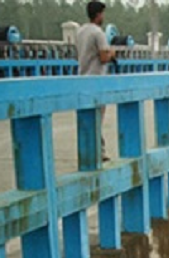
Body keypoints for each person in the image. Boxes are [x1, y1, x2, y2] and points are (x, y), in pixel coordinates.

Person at [77, 1, 116, 160]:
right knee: (97, 118)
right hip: (97, 80)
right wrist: (112, 54)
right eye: (102, 13)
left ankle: (88, 151)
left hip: (82, 79)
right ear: (99, 14)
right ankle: (99, 152)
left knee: (87, 118)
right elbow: (103, 57)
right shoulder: (98, 33)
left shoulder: (80, 32)